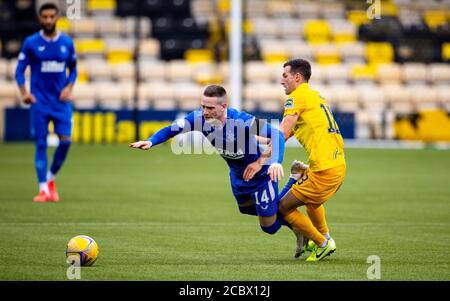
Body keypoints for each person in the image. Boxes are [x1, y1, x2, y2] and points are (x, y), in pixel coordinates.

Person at [130, 85, 300, 240]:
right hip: (237, 175)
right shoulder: (198, 118)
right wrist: (151, 141)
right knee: (247, 209)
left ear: (223, 107)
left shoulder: (241, 120)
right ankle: (287, 216)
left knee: (269, 227)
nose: (205, 111)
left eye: (210, 107)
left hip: (261, 175)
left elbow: (277, 135)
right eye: (203, 106)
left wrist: (275, 162)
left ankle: (294, 180)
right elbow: (172, 129)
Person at [245, 59, 346, 262]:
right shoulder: (314, 96)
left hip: (325, 170)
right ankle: (323, 236)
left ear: (297, 77)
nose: (282, 81)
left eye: (285, 76)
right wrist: (254, 141)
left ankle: (322, 243)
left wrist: (261, 160)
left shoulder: (295, 97)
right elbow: (282, 136)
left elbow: (281, 133)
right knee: (312, 202)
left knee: (282, 207)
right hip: (336, 166)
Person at [15, 3, 77, 202]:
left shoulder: (67, 43)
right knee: (40, 144)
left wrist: (69, 87)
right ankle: (43, 189)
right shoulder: (31, 43)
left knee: (66, 142)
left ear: (57, 16)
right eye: (45, 17)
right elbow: (19, 70)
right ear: (40, 18)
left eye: (52, 16)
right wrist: (24, 92)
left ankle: (50, 178)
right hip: (40, 102)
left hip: (60, 102)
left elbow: (74, 69)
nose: (48, 20)